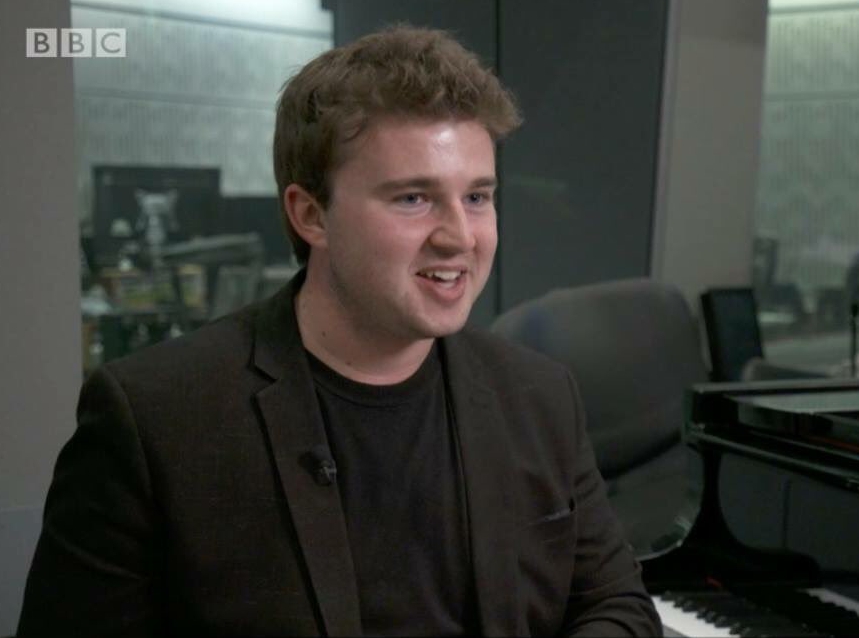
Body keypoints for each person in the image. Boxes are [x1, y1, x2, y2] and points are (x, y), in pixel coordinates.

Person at [18, 25, 662, 637]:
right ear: (310, 214)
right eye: (413, 198)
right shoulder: (153, 419)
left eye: (477, 196)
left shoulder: (540, 396)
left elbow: (616, 604)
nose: (460, 238)